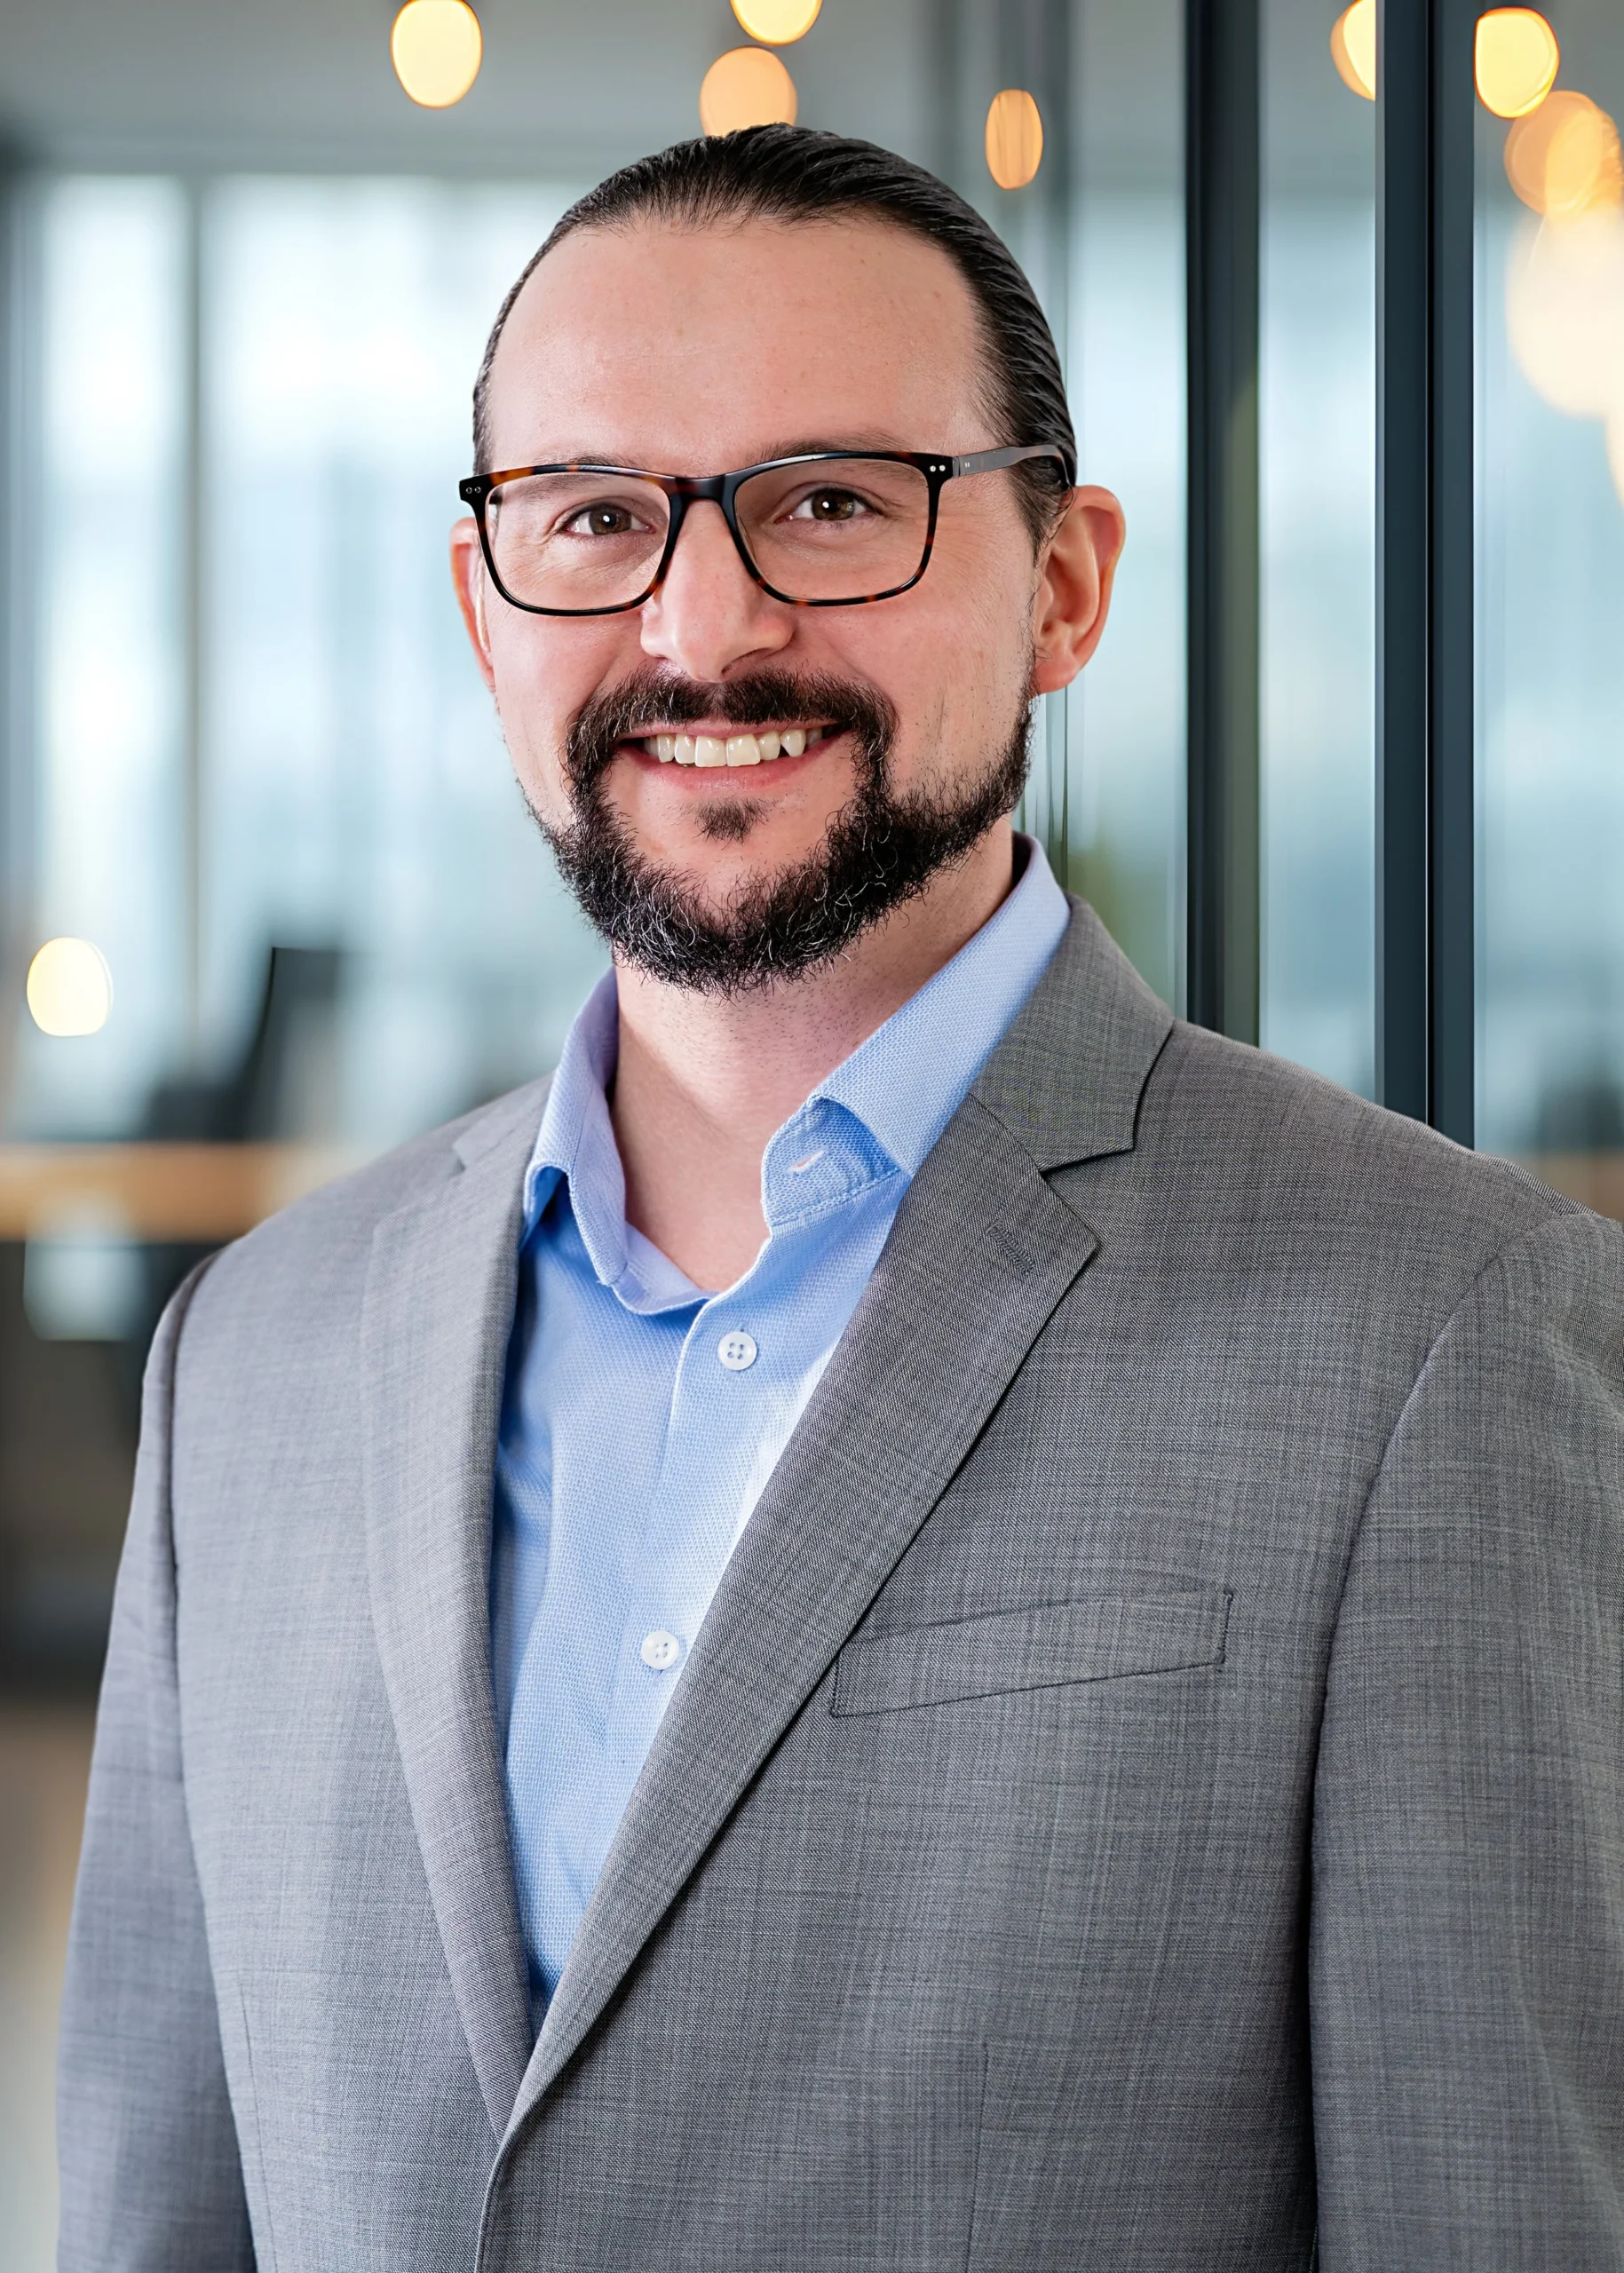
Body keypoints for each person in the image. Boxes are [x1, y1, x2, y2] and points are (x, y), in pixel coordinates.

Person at [58, 126, 1624, 2272]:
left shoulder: (1438, 1333)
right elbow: (161, 2209)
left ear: (1063, 583)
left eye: (827, 504)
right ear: (478, 602)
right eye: (595, 517)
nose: (704, 626)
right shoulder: (249, 1353)